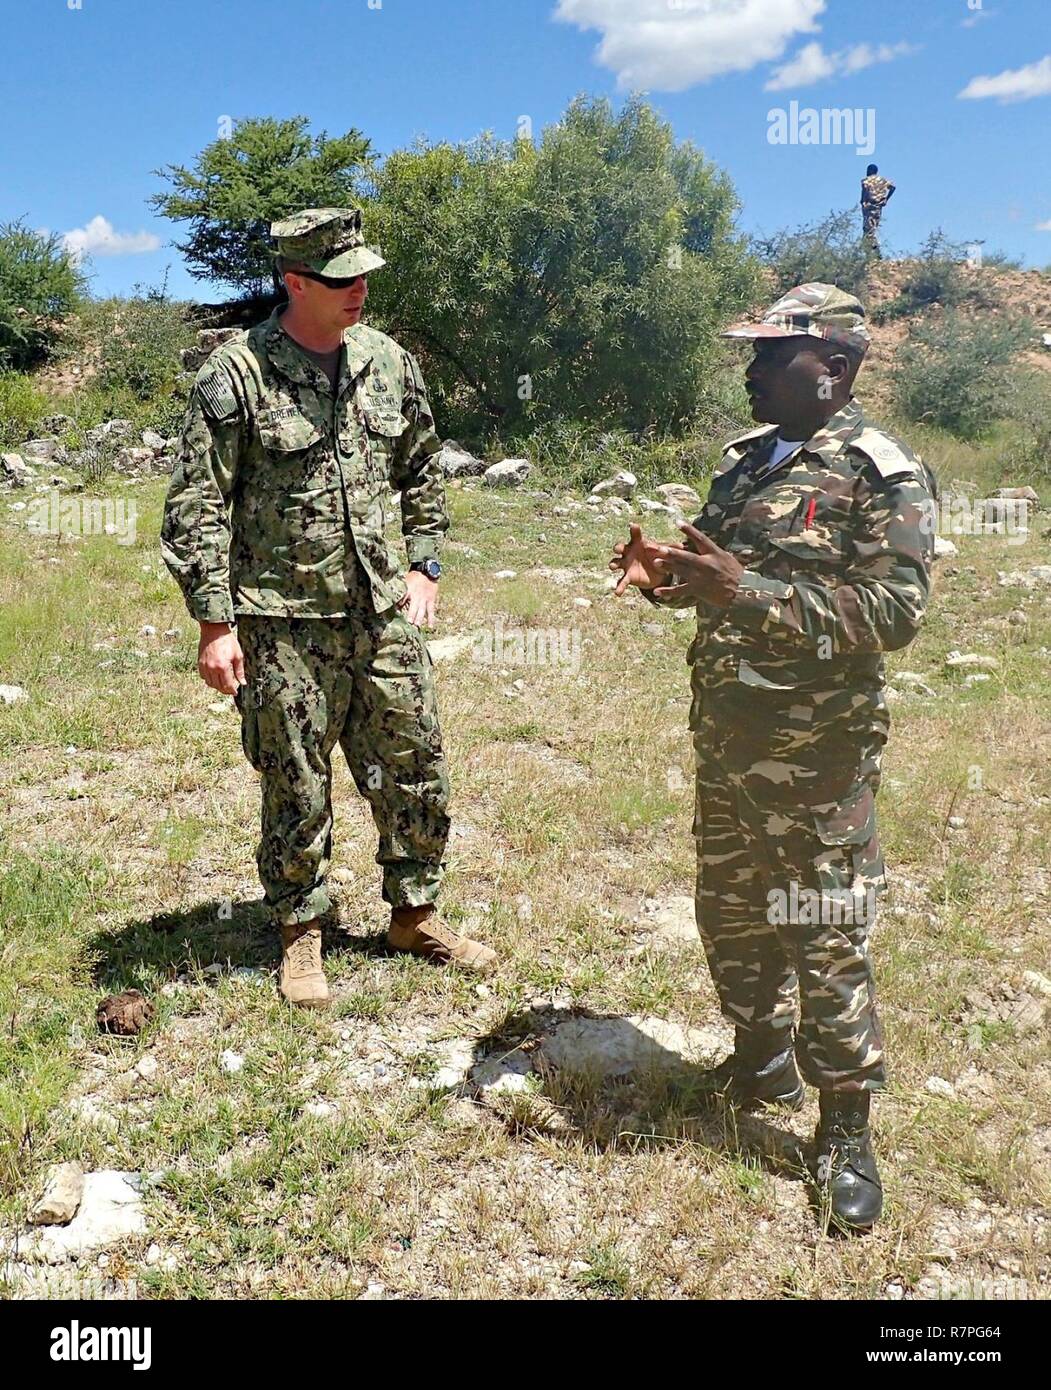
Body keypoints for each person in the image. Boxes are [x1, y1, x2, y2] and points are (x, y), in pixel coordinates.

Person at [609, 283, 936, 1231]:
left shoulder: (883, 475)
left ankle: (844, 1128)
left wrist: (740, 588)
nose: (747, 370)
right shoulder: (749, 463)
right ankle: (759, 1059)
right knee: (730, 908)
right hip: (728, 738)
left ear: (830, 369)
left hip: (818, 757)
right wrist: (671, 582)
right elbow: (727, 580)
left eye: (767, 355)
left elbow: (893, 617)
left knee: (823, 931)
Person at [161, 207, 496, 1009]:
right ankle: (301, 931)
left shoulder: (388, 363)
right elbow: (198, 503)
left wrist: (425, 567)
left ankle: (415, 916)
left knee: (415, 767)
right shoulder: (237, 375)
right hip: (280, 621)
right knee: (296, 781)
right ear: (295, 283)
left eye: (364, 275)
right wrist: (215, 623)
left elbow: (422, 469)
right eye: (341, 280)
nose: (361, 291)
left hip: (382, 613)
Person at [860, 165, 895, 259]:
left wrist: (862, 202)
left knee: (869, 231)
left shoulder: (866, 180)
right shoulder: (883, 180)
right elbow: (893, 187)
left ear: (870, 170)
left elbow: (863, 194)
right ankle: (869, 253)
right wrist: (886, 199)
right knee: (870, 229)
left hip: (869, 207)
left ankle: (876, 251)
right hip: (878, 207)